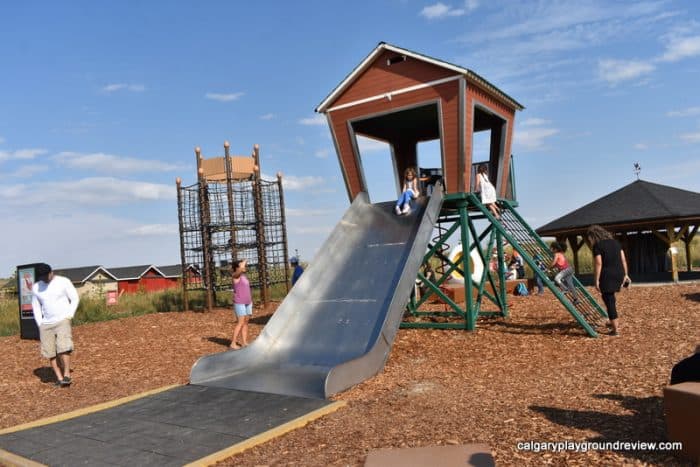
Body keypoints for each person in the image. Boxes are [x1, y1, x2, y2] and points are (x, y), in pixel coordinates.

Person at [31, 263, 79, 387]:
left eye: (45, 276)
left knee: (64, 347)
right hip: (46, 324)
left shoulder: (63, 282)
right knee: (50, 352)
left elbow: (74, 298)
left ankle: (67, 375)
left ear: (51, 272)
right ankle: (59, 377)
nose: (43, 279)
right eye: (41, 277)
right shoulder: (36, 287)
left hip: (62, 320)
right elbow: (36, 306)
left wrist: (69, 315)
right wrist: (40, 323)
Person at [587, 224, 630, 336]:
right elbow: (623, 260)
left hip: (607, 275)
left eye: (590, 238)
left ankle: (615, 330)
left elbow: (598, 263)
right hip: (619, 273)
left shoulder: (597, 246)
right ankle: (612, 322)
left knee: (609, 301)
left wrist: (596, 280)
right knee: (611, 299)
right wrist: (625, 275)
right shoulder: (615, 243)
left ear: (593, 236)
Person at [230, 259, 253, 349]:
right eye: (242, 266)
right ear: (237, 268)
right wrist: (242, 264)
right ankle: (233, 343)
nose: (244, 267)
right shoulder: (235, 276)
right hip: (239, 303)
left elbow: (247, 289)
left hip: (248, 302)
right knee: (240, 322)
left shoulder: (244, 277)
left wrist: (251, 301)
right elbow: (238, 272)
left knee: (246, 323)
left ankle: (244, 342)